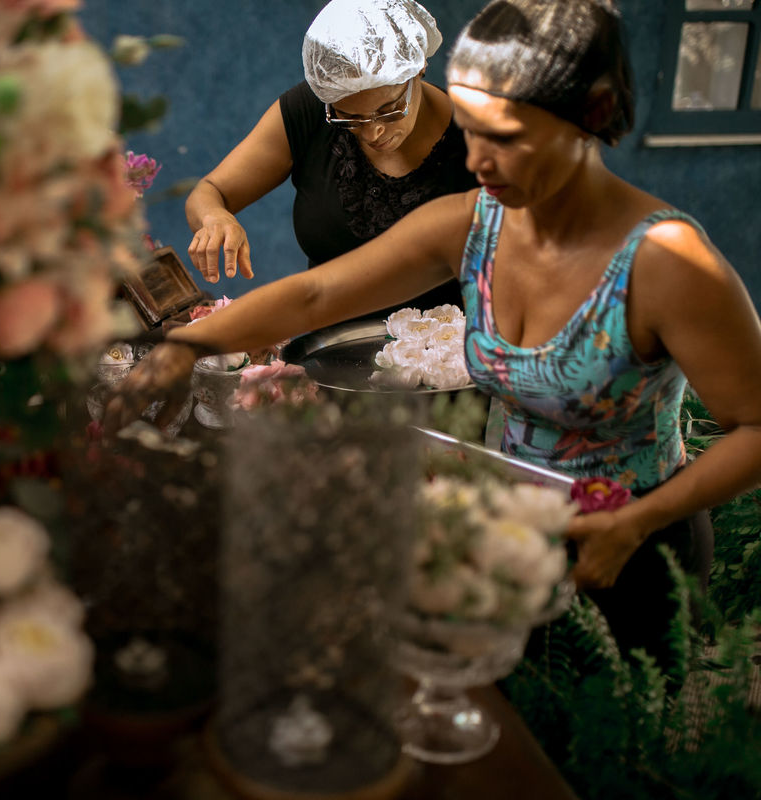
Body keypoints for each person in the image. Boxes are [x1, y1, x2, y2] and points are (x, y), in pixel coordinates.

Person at [109, 0, 761, 671]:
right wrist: (187, 347)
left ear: (592, 115)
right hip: (510, 542)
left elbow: (755, 428)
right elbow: (315, 295)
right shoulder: (471, 224)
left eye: (506, 137)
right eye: (473, 133)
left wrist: (637, 522)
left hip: (633, 551)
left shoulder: (670, 264)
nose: (478, 162)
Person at [184, 0, 475, 324]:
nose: (372, 132)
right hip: (326, 353)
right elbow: (210, 190)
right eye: (349, 117)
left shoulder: (478, 140)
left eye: (389, 110)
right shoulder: (308, 112)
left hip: (450, 359)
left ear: (419, 66)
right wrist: (214, 217)